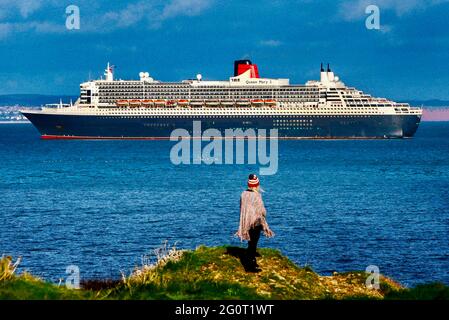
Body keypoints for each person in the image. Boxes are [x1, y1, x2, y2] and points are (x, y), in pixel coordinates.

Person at [236, 174, 274, 272]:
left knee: (251, 242)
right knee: (253, 244)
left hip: (247, 222)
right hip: (256, 223)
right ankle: (249, 266)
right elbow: (262, 211)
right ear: (256, 185)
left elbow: (242, 207)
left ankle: (252, 261)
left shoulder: (243, 194)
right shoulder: (256, 195)